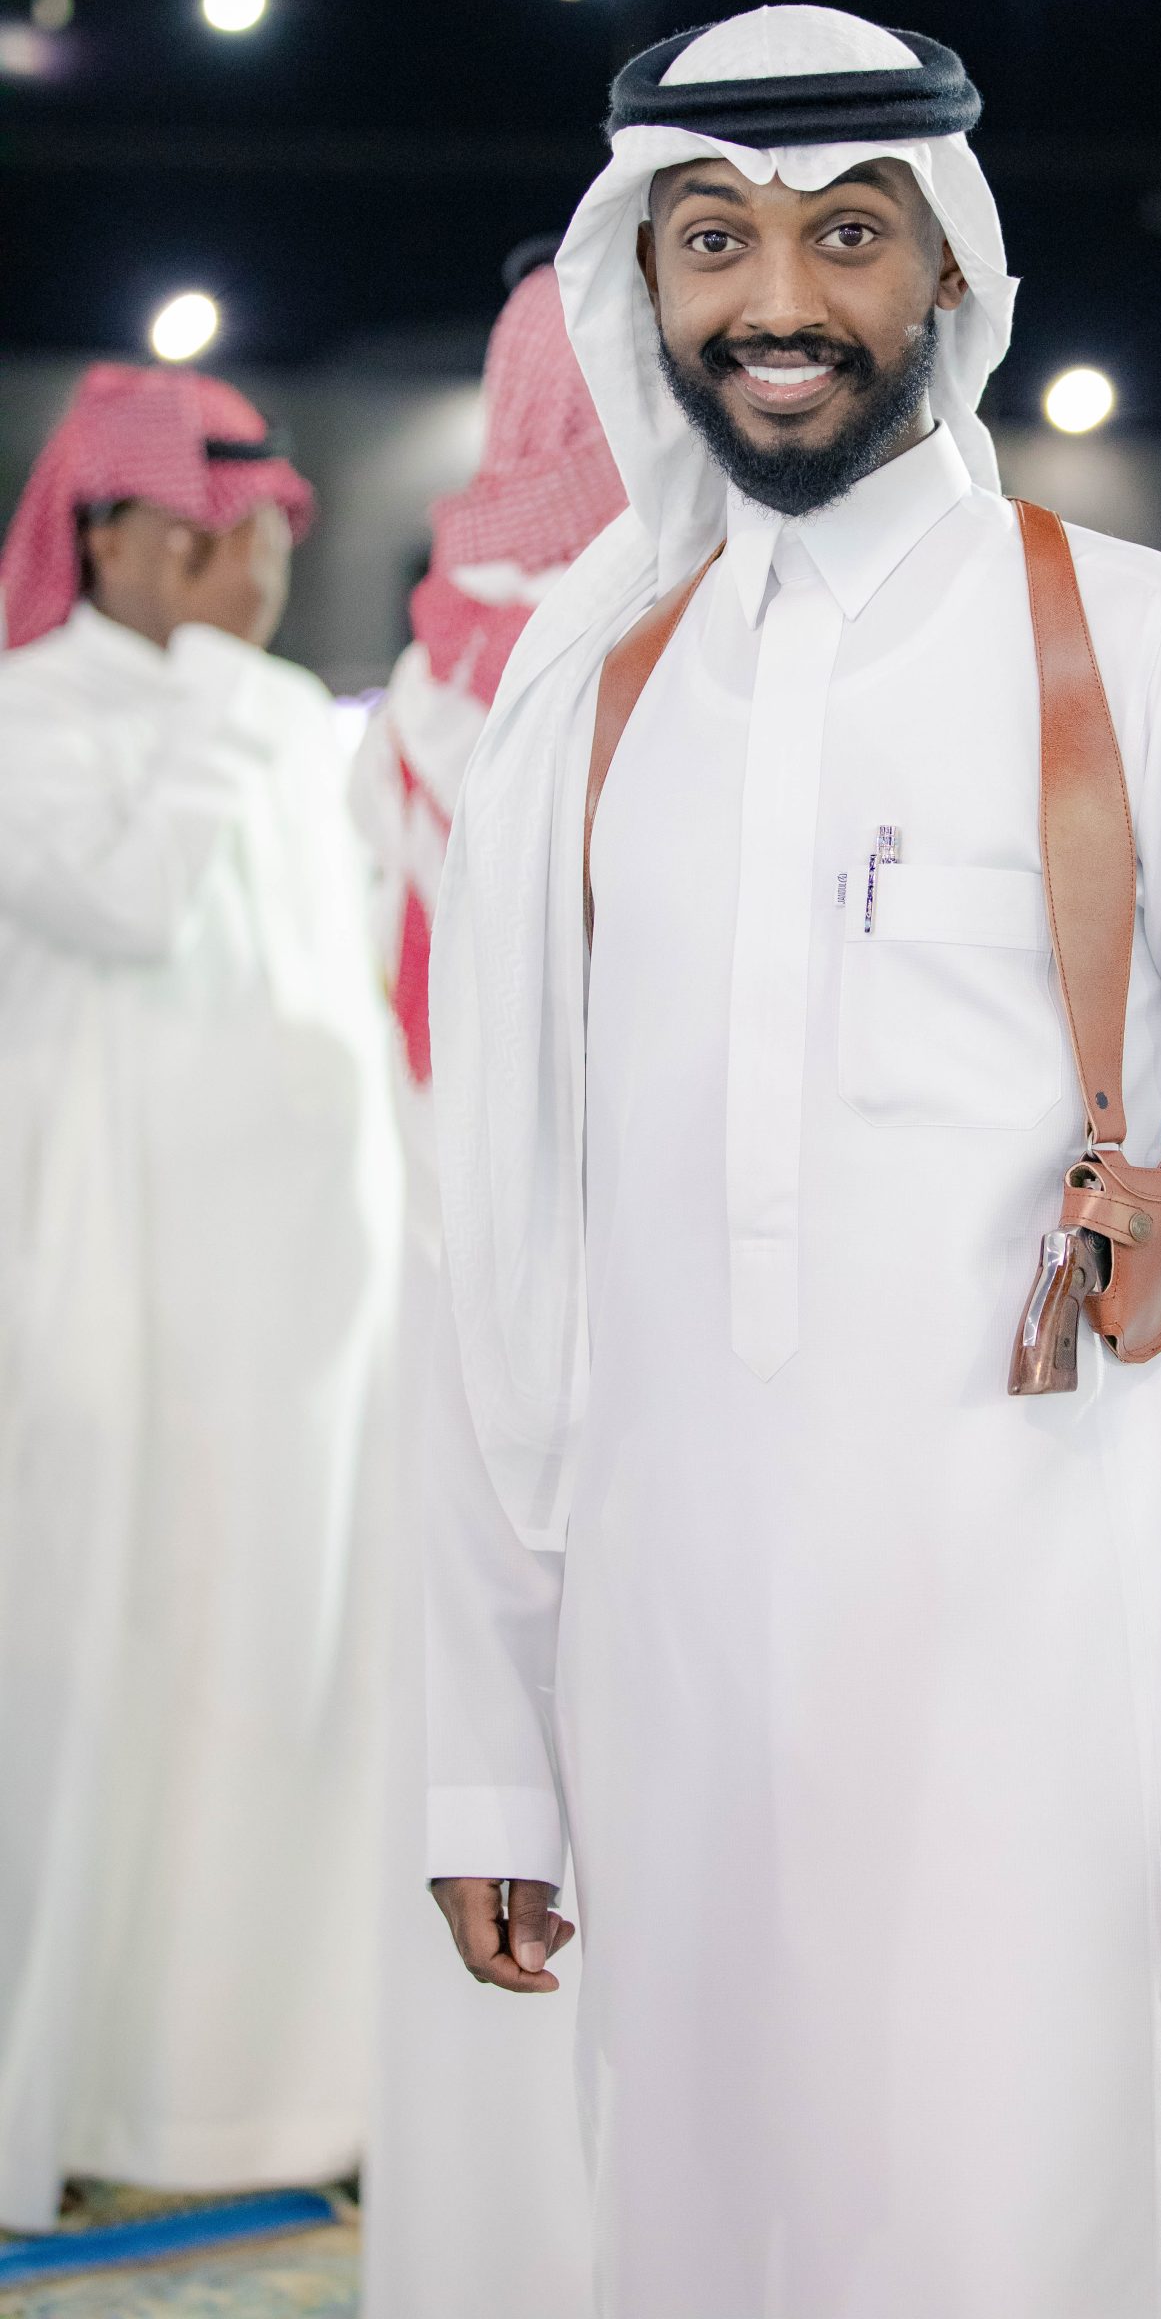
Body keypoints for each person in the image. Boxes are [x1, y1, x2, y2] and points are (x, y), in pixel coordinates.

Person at [423, 5, 1161, 2318]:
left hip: (1050, 1653)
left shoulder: (1149, 650)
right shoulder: (590, 704)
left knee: (1032, 2221)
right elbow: (493, 1263)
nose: (775, 300)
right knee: (707, 2230)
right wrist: (483, 1753)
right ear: (641, 286)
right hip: (676, 1664)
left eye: (844, 234)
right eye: (712, 241)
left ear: (946, 266)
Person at [0, 364, 398, 2230]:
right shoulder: (31, 719)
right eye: (210, 537)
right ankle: (87, 2092)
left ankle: (275, 2097)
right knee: (111, 1655)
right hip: (112, 1295)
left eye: (255, 540)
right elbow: (130, 902)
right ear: (115, 539)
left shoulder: (284, 725)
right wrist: (227, 688)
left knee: (289, 1666)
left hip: (303, 1315)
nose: (245, 572)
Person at [349, 258, 622, 2319]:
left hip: (461, 1287)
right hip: (630, 1302)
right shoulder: (637, 639)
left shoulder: (426, 661)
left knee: (494, 1784)